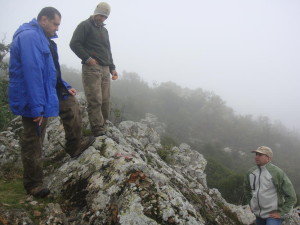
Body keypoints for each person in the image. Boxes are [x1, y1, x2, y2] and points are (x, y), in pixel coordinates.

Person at [8, 7, 95, 198]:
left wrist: (64, 85)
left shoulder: (45, 39)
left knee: (71, 105)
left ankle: (74, 146)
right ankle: (34, 184)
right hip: (32, 95)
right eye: (55, 24)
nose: (57, 29)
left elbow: (50, 70)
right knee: (34, 137)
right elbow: (32, 74)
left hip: (49, 90)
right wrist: (36, 108)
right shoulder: (30, 37)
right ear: (43, 19)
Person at [70, 2, 118, 137]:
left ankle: (103, 125)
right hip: (92, 68)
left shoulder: (104, 30)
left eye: (105, 17)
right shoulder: (84, 25)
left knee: (105, 100)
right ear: (96, 13)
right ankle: (97, 129)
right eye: (101, 15)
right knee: (95, 99)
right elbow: (74, 43)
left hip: (105, 68)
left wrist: (112, 68)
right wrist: (87, 58)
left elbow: (107, 50)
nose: (102, 19)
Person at [244, 146, 297, 225]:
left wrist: (281, 212)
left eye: (260, 154)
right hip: (258, 214)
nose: (256, 157)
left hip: (272, 216)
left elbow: (292, 196)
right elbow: (247, 190)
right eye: (256, 154)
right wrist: (251, 204)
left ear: (268, 158)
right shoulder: (251, 172)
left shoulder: (277, 173)